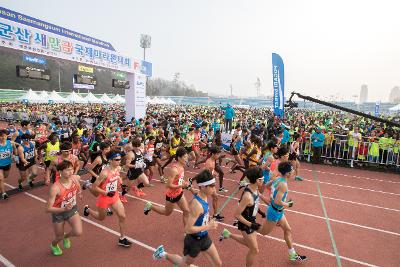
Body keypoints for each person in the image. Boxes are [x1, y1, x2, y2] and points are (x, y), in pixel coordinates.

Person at [152, 169, 222, 267]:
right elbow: (188, 229)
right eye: (212, 186)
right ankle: (162, 254)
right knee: (184, 263)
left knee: (218, 264)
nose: (214, 189)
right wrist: (208, 226)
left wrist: (206, 218)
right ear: (203, 187)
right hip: (193, 240)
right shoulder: (197, 205)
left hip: (204, 237)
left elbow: (198, 203)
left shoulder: (204, 195)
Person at [258, 161, 307, 262]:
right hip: (274, 212)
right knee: (263, 232)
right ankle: (246, 224)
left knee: (288, 230)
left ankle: (292, 254)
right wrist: (288, 204)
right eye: (292, 170)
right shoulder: (283, 184)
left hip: (279, 211)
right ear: (288, 173)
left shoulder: (277, 179)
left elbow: (267, 185)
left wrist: (269, 196)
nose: (293, 171)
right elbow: (278, 201)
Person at [83, 150, 132, 248]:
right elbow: (95, 187)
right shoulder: (104, 173)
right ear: (110, 160)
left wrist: (121, 184)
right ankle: (87, 209)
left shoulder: (118, 168)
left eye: (120, 159)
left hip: (114, 196)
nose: (119, 161)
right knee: (101, 218)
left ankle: (122, 239)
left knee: (122, 216)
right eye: (116, 159)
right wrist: (106, 193)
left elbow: (118, 177)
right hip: (104, 197)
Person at [219, 167, 265, 267]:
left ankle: (228, 234)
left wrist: (261, 212)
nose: (264, 180)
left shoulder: (255, 189)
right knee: (254, 250)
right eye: (262, 178)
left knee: (249, 244)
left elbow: (256, 201)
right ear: (257, 180)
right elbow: (236, 215)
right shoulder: (247, 196)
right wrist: (251, 225)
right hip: (245, 223)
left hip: (252, 220)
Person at [144, 147, 190, 227]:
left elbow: (179, 180)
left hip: (179, 193)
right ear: (179, 158)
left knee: (186, 211)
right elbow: (168, 185)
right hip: (172, 195)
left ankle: (187, 232)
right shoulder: (174, 170)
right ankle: (150, 206)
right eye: (185, 157)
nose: (187, 159)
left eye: (187, 156)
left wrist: (185, 183)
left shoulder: (182, 166)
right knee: (167, 213)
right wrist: (182, 185)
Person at [46, 160, 83, 256]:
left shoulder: (74, 178)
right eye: (67, 170)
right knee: (59, 237)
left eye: (72, 169)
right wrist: (64, 209)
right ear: (60, 172)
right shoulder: (55, 188)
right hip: (59, 213)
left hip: (72, 209)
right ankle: (53, 245)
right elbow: (48, 209)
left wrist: (79, 191)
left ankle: (66, 237)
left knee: (78, 232)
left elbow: (77, 179)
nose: (71, 172)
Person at [0, 129, 14, 199]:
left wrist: (16, 155)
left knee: (5, 176)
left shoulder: (10, 143)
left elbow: (17, 145)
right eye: (1, 136)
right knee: (1, 179)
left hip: (7, 164)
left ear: (6, 136)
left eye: (4, 136)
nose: (3, 137)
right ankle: (3, 193)